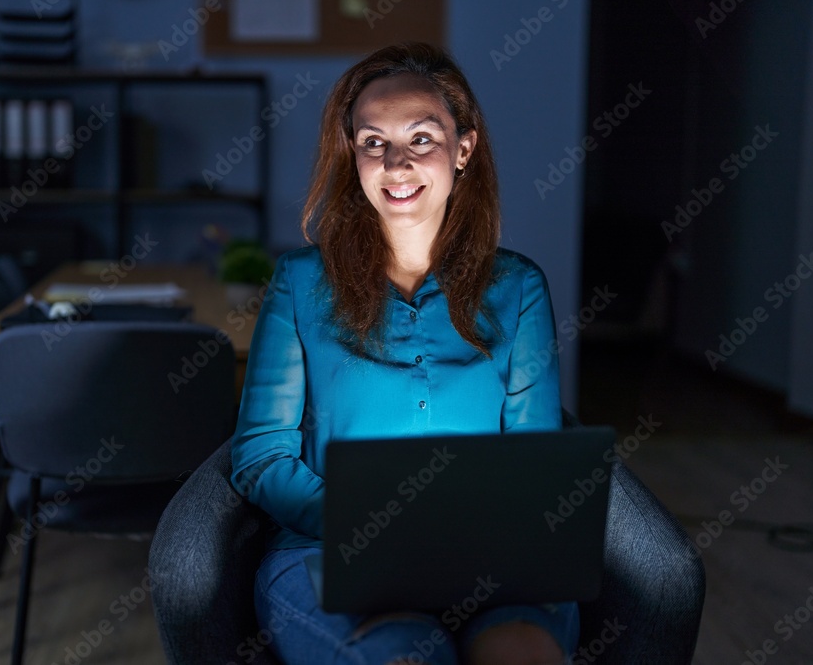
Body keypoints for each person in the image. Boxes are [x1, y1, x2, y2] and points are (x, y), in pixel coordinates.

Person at [230, 42, 576, 665]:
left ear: (462, 148)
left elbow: (533, 459)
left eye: (421, 139)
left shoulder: (520, 287)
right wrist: (367, 527)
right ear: (352, 154)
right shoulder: (300, 283)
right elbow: (261, 455)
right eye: (372, 143)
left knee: (521, 654)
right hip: (329, 550)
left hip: (487, 555)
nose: (395, 164)